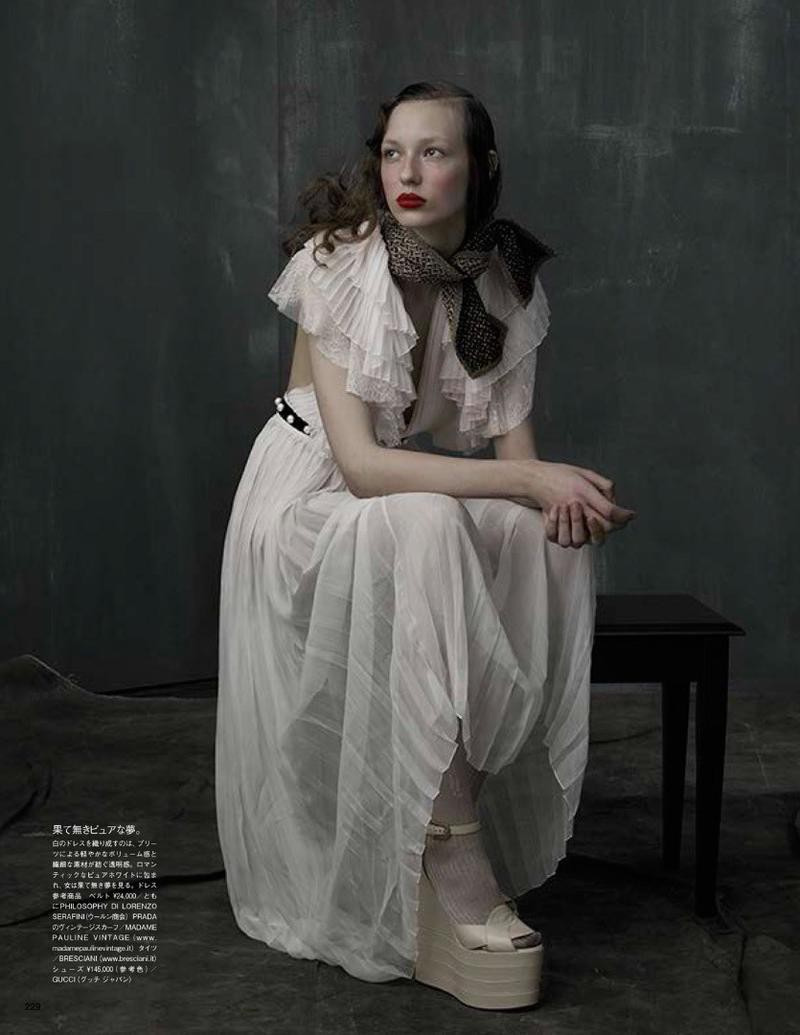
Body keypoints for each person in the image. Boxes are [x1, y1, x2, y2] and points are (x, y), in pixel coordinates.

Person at [215, 79, 636, 1011]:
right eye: (393, 152)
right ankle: (450, 848)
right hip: (304, 498)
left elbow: (521, 469)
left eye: (434, 152)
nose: (406, 171)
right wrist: (532, 480)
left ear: (479, 167)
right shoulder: (342, 261)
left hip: (392, 497)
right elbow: (364, 467)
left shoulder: (502, 280)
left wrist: (564, 498)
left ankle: (452, 801)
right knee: (432, 515)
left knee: (545, 538)